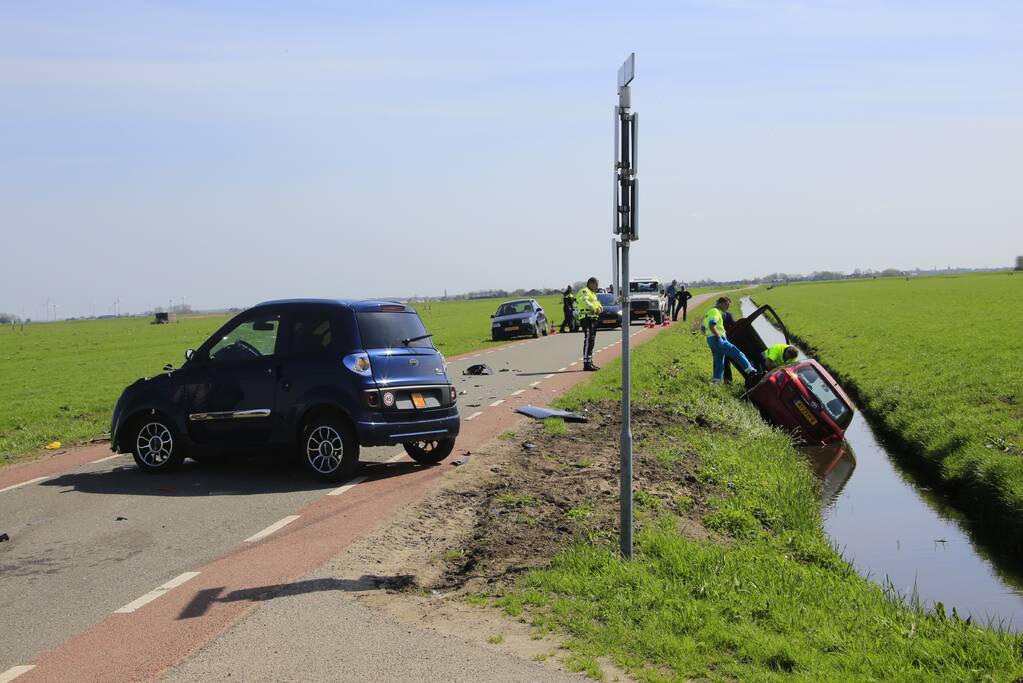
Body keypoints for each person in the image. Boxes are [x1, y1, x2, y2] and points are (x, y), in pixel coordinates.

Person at [702, 296, 757, 384]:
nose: (728, 307)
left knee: (720, 362)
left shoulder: (708, 312)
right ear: (721, 303)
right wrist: (719, 337)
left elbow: (702, 329)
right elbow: (711, 324)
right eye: (726, 305)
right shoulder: (716, 312)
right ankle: (751, 371)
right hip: (719, 339)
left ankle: (716, 382)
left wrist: (710, 336)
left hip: (711, 340)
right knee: (738, 353)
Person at [576, 277, 603, 371]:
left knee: (591, 340)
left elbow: (597, 303)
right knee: (588, 340)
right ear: (591, 283)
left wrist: (600, 308)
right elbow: (583, 300)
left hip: (593, 318)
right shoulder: (585, 291)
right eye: (596, 284)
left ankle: (589, 362)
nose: (597, 287)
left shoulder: (593, 294)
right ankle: (586, 364)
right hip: (586, 318)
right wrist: (592, 308)